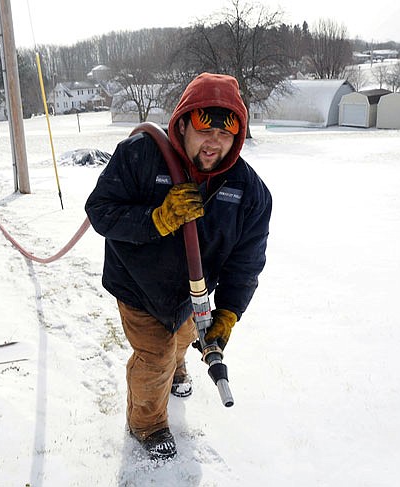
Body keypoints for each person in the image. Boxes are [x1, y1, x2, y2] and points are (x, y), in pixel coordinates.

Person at [85, 72, 272, 460]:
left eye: (226, 132)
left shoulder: (249, 192)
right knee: (155, 357)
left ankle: (178, 368)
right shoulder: (140, 155)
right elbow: (100, 211)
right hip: (138, 286)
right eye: (206, 128)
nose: (214, 142)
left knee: (185, 338)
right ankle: (147, 422)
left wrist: (230, 313)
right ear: (183, 122)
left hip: (192, 293)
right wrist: (158, 219)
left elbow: (246, 262)